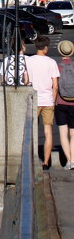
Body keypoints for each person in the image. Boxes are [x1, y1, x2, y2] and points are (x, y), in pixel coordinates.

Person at [26, 35, 60, 170]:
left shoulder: (29, 61)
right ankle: (46, 161)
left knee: (31, 131)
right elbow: (55, 85)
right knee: (48, 131)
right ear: (45, 48)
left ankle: (31, 159)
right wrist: (53, 99)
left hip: (33, 99)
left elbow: (26, 80)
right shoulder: (51, 62)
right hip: (47, 100)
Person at [55, 40, 74, 169]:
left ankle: (68, 161)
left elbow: (55, 86)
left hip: (60, 103)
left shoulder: (57, 66)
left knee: (63, 133)